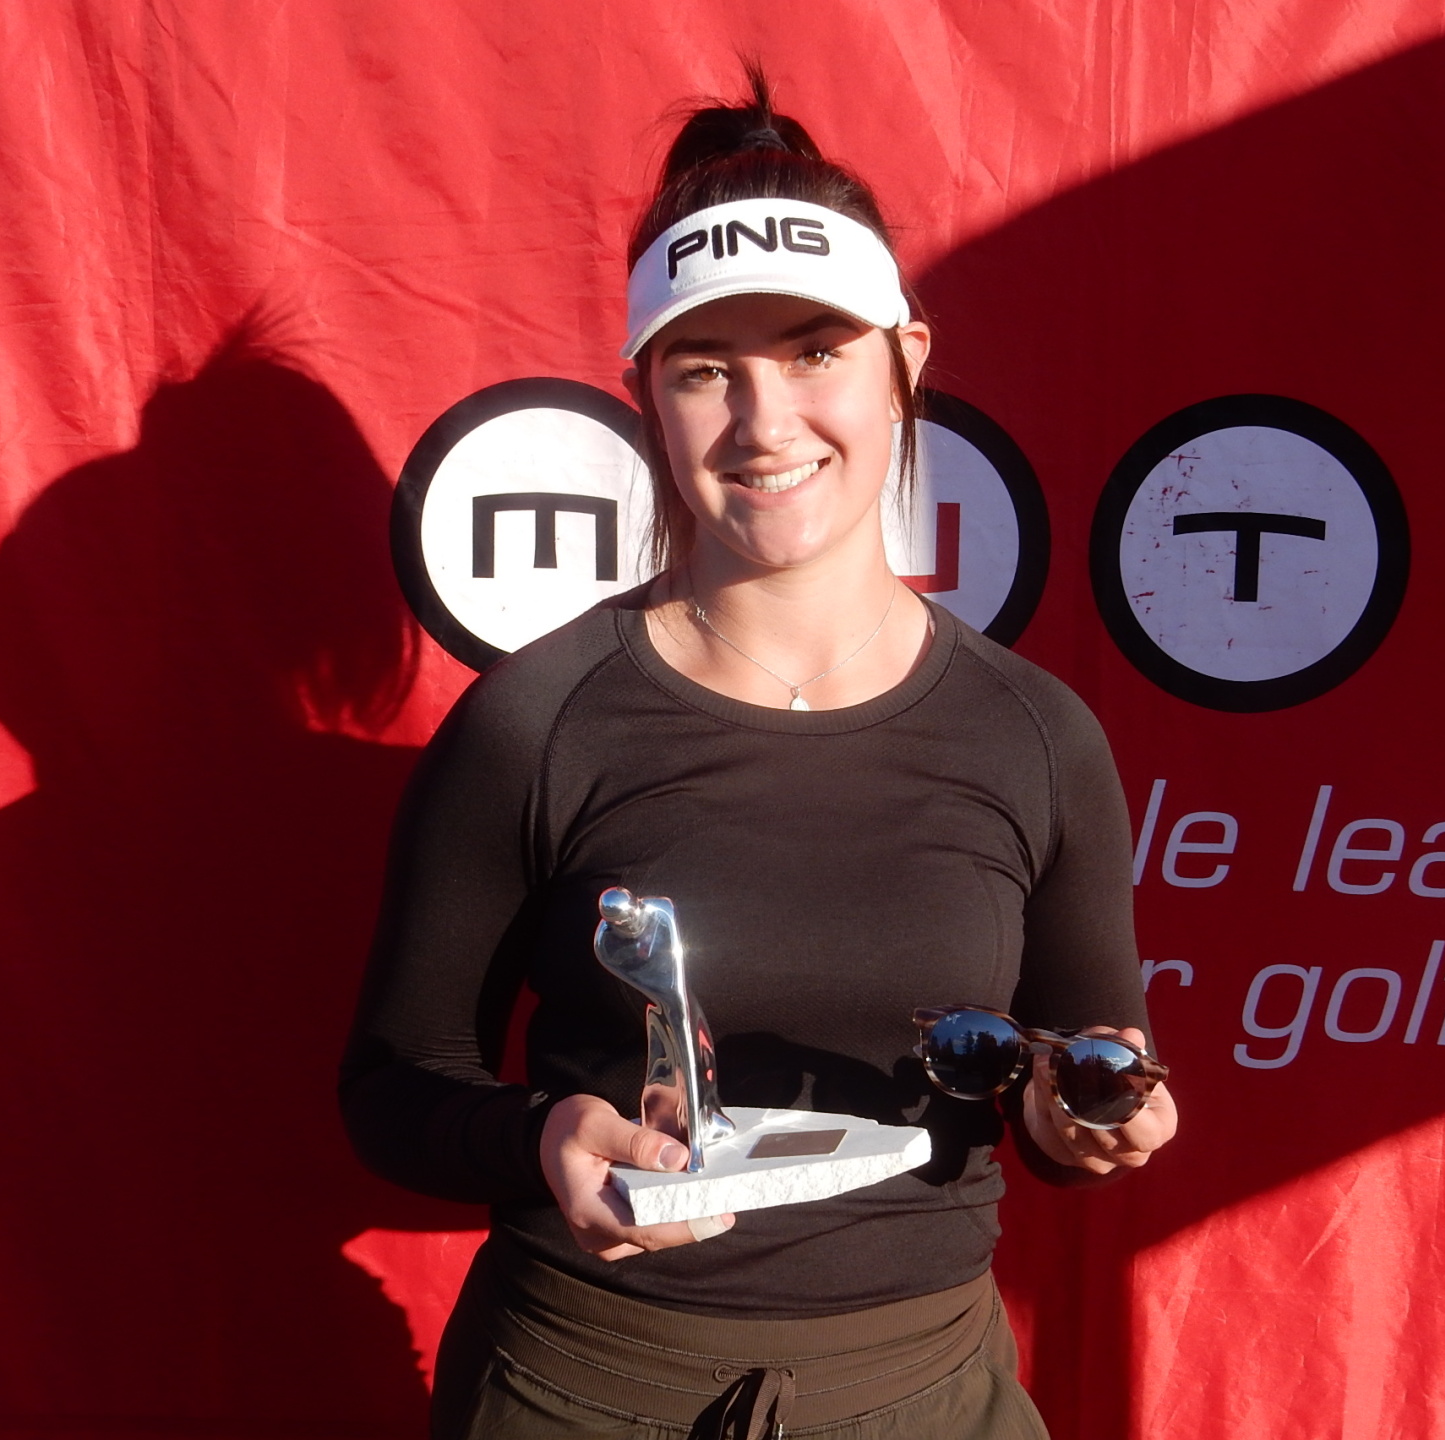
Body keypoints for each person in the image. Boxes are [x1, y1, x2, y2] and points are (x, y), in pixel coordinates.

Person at [341, 68, 1176, 1440]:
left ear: (906, 358)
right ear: (646, 396)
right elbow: (395, 1087)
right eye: (706, 369)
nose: (765, 421)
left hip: (927, 1395)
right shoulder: (538, 722)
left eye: (813, 351)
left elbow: (1077, 1083)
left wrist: (1089, 1118)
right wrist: (541, 1137)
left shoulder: (1034, 734)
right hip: (584, 1392)